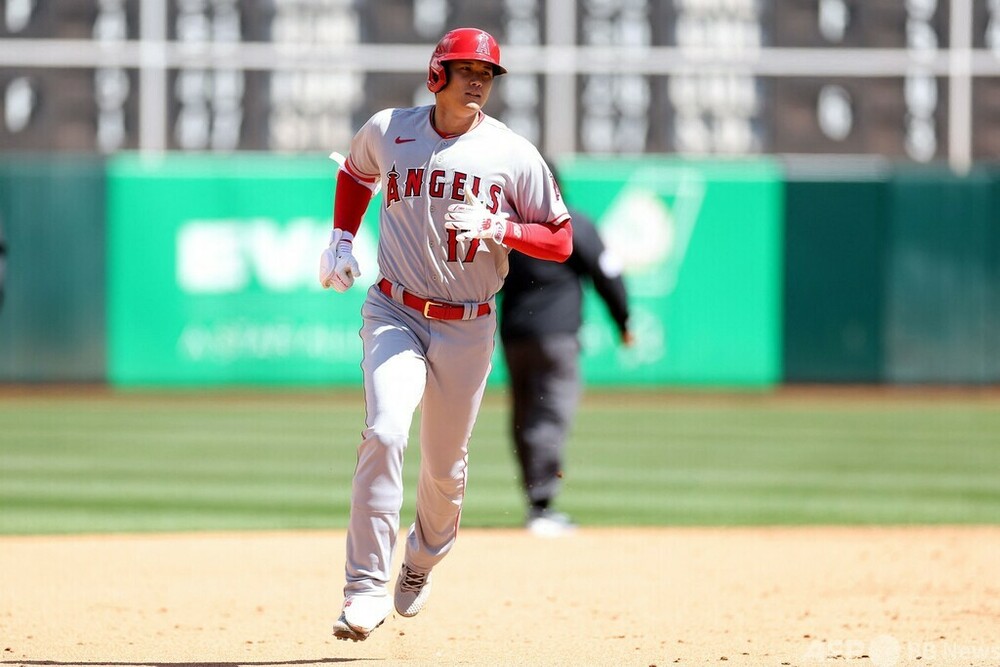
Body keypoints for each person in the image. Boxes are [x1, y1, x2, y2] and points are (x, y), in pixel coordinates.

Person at [318, 27, 572, 642]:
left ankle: (423, 560)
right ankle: (364, 586)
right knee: (384, 430)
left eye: (487, 74)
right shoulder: (391, 129)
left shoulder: (512, 153)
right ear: (439, 74)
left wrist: (501, 228)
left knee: (443, 467)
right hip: (395, 311)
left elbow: (560, 239)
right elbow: (356, 174)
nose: (479, 81)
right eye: (467, 70)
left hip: (468, 325)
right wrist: (342, 239)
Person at [500, 190, 632, 537]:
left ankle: (535, 501)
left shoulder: (506, 224)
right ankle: (541, 506)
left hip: (514, 335)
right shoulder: (572, 222)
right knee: (550, 414)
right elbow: (607, 272)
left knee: (524, 415)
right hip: (557, 335)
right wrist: (624, 320)